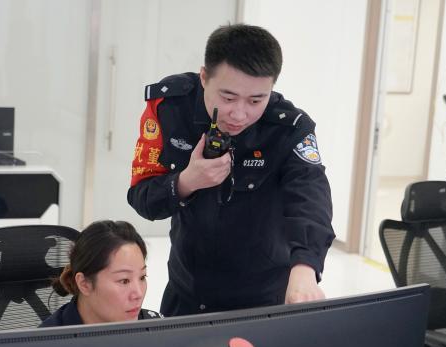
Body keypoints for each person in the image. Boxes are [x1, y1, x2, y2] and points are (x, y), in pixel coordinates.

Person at [127, 24, 335, 317]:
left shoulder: (290, 129)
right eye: (227, 98)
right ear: (204, 77)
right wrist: (186, 182)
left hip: (263, 298)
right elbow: (142, 197)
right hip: (187, 292)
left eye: (256, 100)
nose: (239, 114)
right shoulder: (169, 107)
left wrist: (305, 268)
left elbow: (311, 200)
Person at [39, 220, 161, 327]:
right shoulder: (46, 343)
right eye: (124, 281)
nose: (138, 294)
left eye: (142, 277)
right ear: (84, 283)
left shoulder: (157, 330)